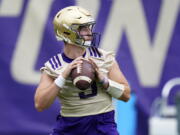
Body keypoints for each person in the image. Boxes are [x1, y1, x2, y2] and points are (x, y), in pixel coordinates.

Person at [34, 6, 131, 135]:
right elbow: (40, 104)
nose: (89, 32)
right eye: (83, 28)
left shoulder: (103, 58)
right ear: (67, 33)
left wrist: (104, 81)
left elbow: (126, 95)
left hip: (102, 124)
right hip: (69, 126)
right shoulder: (53, 66)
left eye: (89, 27)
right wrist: (62, 77)